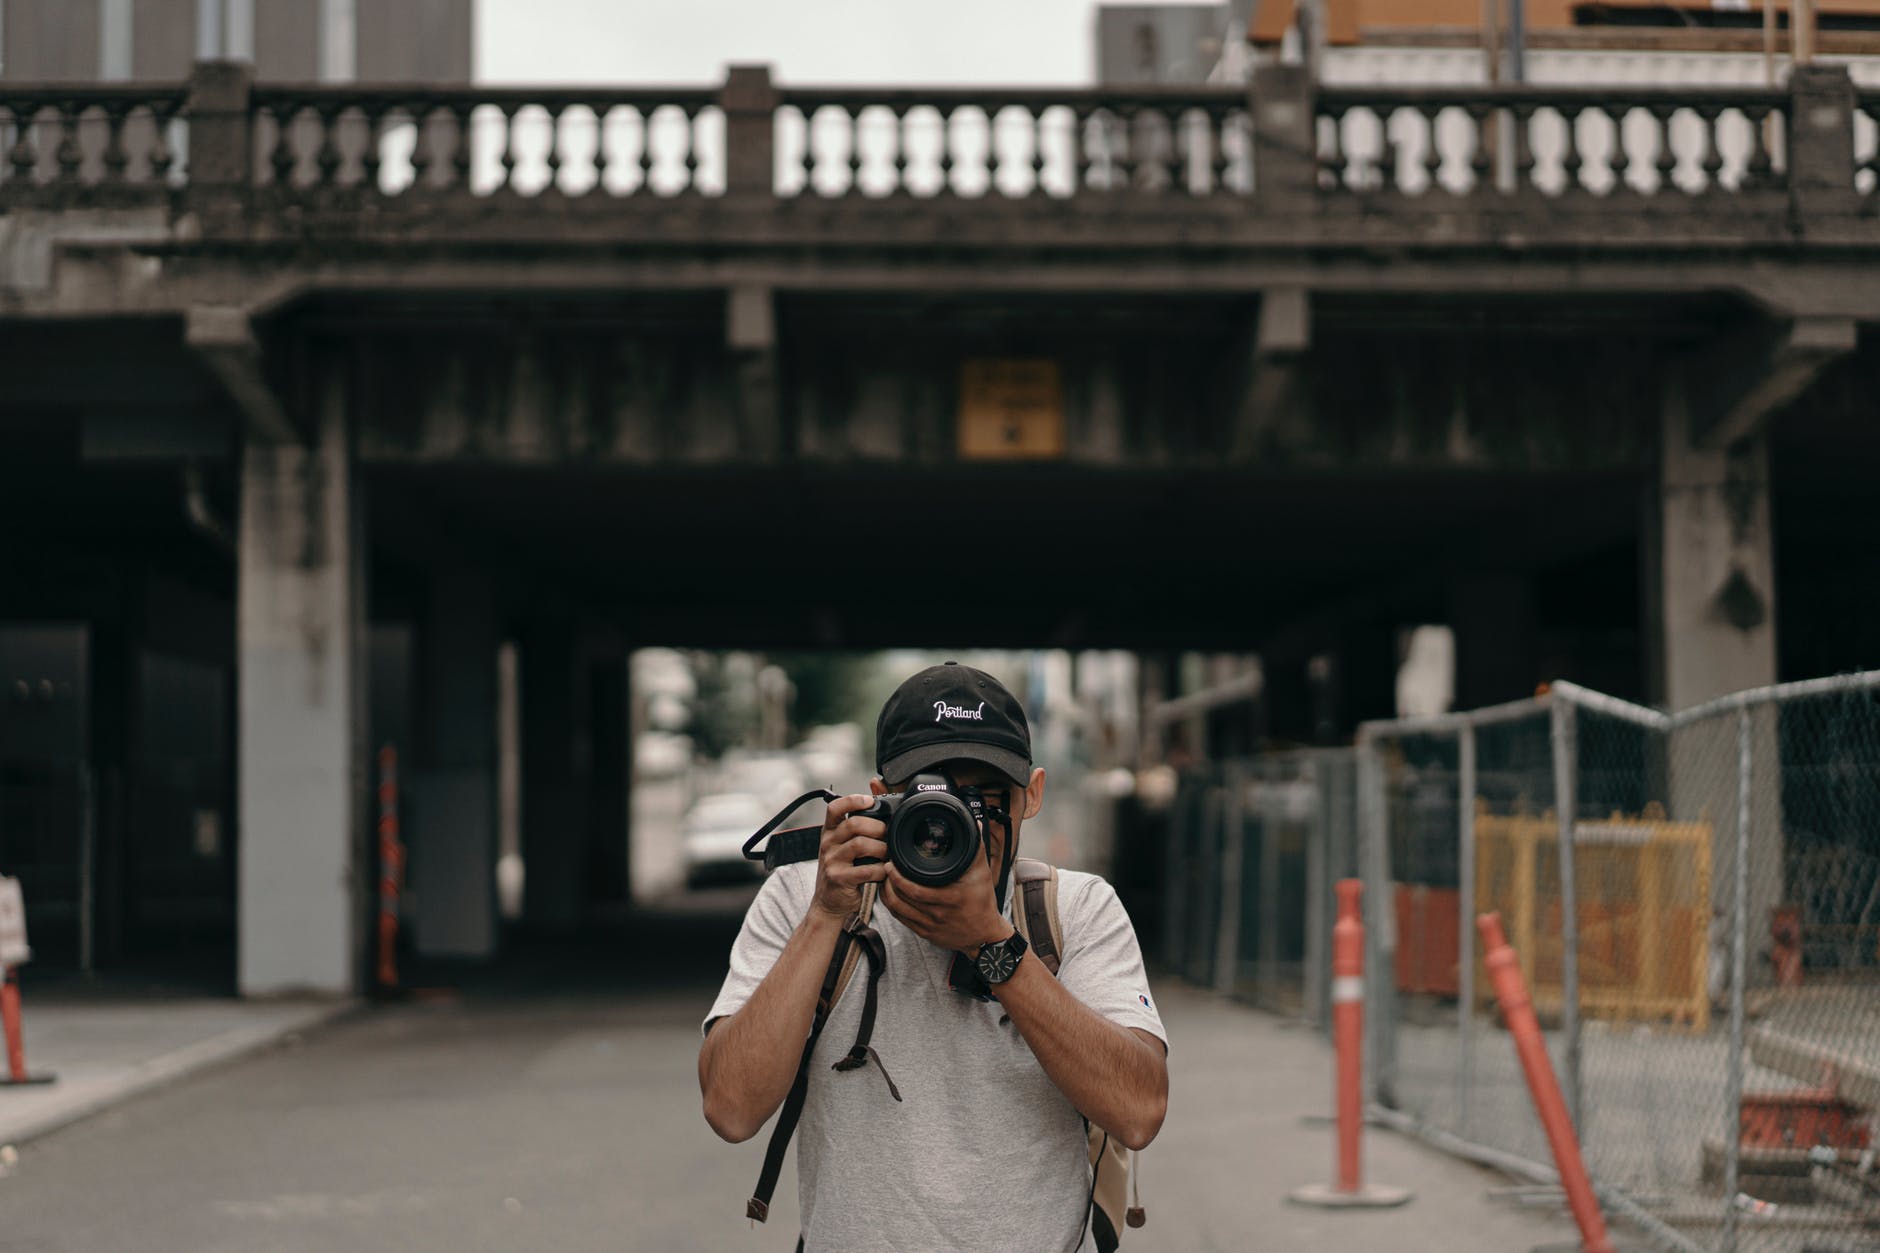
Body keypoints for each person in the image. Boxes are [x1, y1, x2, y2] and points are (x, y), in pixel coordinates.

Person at [699, 661, 1168, 1253]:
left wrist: (993, 945)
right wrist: (825, 915)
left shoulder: (1075, 910)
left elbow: (1139, 1111)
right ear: (878, 801)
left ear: (1032, 796)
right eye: (933, 797)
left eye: (984, 796)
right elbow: (731, 1110)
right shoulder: (804, 900)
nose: (951, 825)